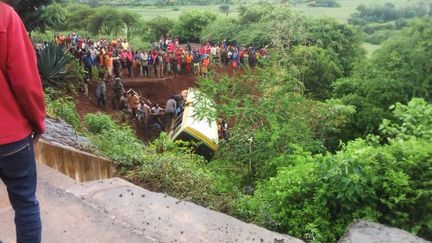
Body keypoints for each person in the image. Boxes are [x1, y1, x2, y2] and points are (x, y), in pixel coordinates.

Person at [0, 3, 46, 243]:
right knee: (25, 203)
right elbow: (26, 82)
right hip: (11, 138)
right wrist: (38, 122)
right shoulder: (5, 16)